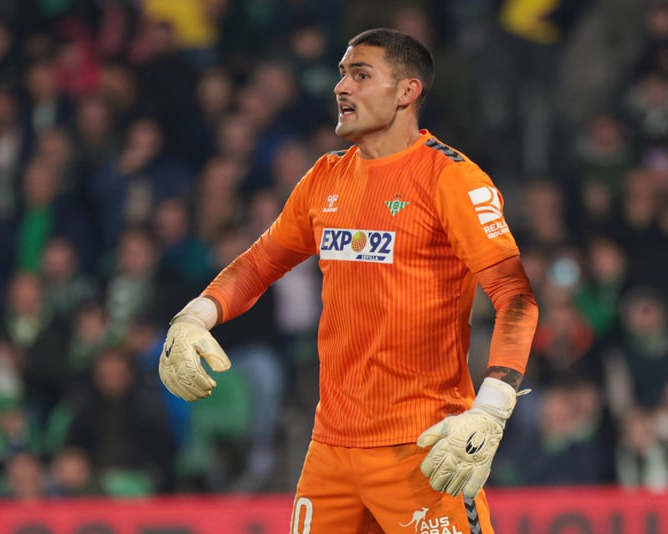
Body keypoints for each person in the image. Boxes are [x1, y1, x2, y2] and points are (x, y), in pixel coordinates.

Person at [158, 28, 538, 533]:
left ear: (407, 91)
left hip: (422, 447)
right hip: (331, 451)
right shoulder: (325, 177)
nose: (342, 87)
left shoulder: (453, 179)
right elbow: (260, 262)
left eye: (361, 75)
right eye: (342, 74)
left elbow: (516, 297)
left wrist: (491, 409)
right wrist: (195, 316)